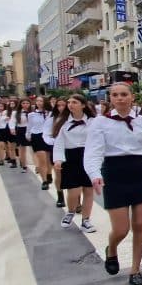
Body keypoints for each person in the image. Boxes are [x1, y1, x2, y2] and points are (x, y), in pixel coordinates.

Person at [84, 82, 142, 285]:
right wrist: (94, 174)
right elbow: (92, 152)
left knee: (140, 225)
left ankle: (135, 270)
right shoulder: (100, 123)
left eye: (124, 94)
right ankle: (112, 248)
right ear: (110, 99)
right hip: (115, 172)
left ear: (132, 97)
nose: (120, 98)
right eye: (115, 95)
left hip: (140, 172)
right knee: (121, 229)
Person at [52, 94, 97, 233]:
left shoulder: (93, 121)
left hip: (88, 156)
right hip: (71, 157)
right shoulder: (63, 122)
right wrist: (58, 159)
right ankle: (71, 211)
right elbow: (59, 143)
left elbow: (99, 140)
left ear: (83, 105)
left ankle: (86, 220)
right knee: (74, 191)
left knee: (89, 190)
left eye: (75, 102)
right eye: (69, 102)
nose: (70, 105)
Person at [27, 96, 53, 190]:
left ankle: (49, 173)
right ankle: (44, 181)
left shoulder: (51, 113)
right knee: (42, 160)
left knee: (49, 159)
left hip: (48, 136)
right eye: (37, 101)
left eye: (41, 101)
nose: (38, 102)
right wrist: (28, 135)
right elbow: (29, 126)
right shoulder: (31, 114)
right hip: (37, 136)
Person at [0, 100, 14, 166]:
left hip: (6, 130)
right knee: (1, 145)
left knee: (7, 144)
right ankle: (1, 159)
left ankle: (9, 156)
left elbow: (9, 119)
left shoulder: (7, 112)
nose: (0, 107)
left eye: (1, 106)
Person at [14, 99, 31, 172]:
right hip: (21, 130)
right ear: (20, 104)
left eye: (27, 103)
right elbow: (12, 122)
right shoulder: (17, 113)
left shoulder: (33, 112)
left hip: (30, 130)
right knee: (22, 149)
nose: (25, 105)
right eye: (23, 103)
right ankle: (24, 165)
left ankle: (37, 165)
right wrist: (12, 129)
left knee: (33, 150)